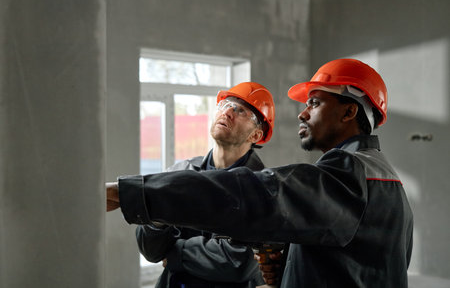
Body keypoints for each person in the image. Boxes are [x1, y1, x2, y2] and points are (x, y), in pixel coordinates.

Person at [107, 58, 414, 288]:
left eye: (315, 102)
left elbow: (252, 197)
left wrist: (138, 193)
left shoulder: (349, 174)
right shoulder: (376, 174)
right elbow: (357, 267)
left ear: (349, 112)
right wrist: (288, 269)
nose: (302, 113)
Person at [134, 82, 276, 288]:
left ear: (256, 135)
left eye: (240, 111)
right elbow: (151, 250)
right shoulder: (179, 173)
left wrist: (176, 253)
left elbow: (239, 263)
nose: (227, 112)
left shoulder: (263, 189)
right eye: (225, 105)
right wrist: (157, 221)